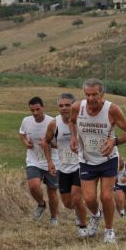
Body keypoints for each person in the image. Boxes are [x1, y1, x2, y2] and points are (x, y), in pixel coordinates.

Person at [69, 78, 126, 243]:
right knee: (90, 199)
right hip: (86, 159)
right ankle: (96, 215)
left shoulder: (112, 110)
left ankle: (109, 231)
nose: (91, 99)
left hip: (108, 159)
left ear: (102, 94)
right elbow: (71, 121)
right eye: (87, 95)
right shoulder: (77, 107)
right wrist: (73, 137)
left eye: (95, 95)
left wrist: (115, 141)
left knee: (106, 196)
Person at [43, 93, 88, 238]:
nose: (64, 108)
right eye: (61, 106)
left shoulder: (82, 121)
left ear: (73, 106)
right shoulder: (54, 123)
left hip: (81, 164)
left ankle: (83, 226)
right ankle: (83, 212)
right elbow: (45, 142)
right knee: (68, 203)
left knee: (76, 198)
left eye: (67, 105)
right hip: (63, 167)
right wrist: (50, 162)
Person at [19, 96, 59, 226]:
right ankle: (41, 204)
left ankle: (54, 218)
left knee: (52, 191)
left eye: (37, 109)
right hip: (33, 160)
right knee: (33, 186)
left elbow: (61, 144)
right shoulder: (26, 121)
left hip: (52, 161)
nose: (35, 113)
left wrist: (48, 144)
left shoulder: (52, 122)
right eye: (32, 110)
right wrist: (26, 142)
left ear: (43, 107)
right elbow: (22, 133)